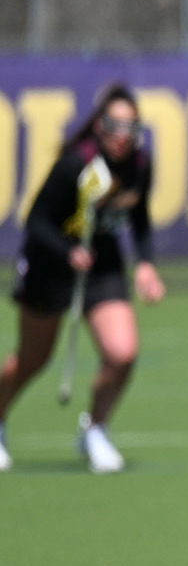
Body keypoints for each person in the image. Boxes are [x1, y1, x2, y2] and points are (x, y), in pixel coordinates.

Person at [0, 83, 165, 473]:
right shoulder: (76, 164)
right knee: (32, 360)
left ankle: (95, 430)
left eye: (131, 128)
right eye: (114, 126)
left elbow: (139, 218)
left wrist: (145, 263)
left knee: (122, 353)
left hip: (100, 267)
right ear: (99, 126)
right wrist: (66, 251)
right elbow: (36, 221)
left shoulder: (139, 165)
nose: (122, 137)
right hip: (49, 268)